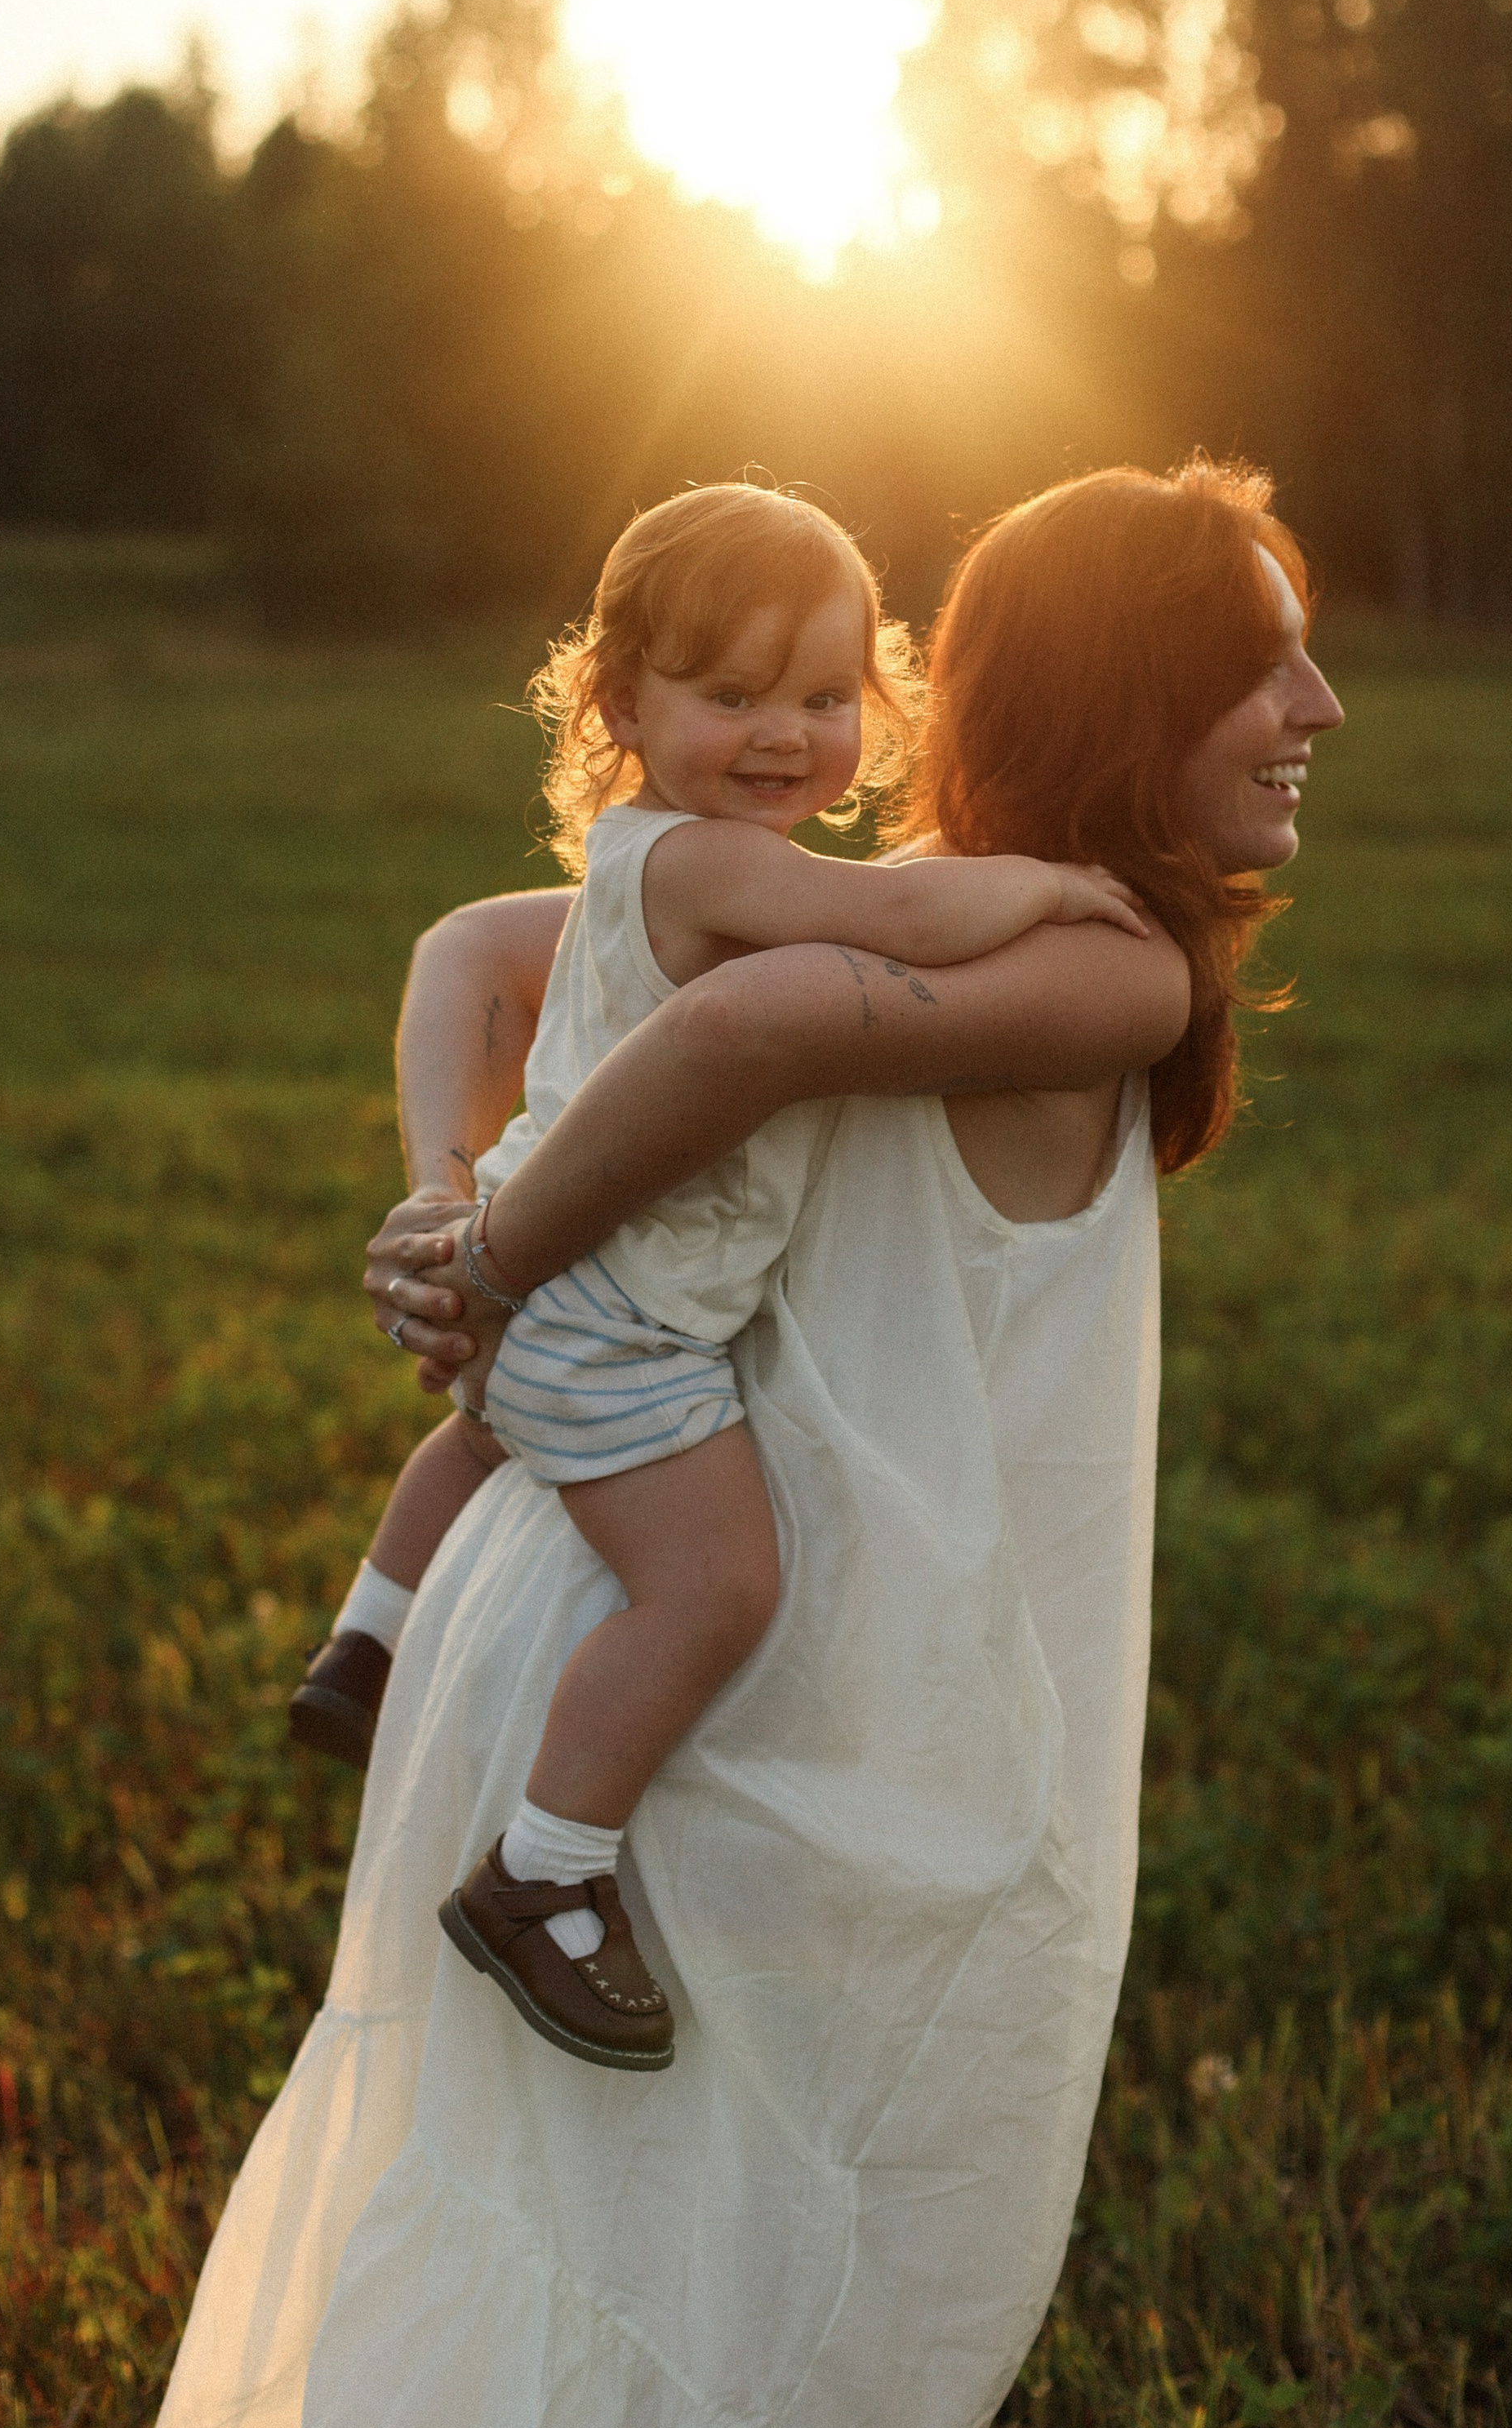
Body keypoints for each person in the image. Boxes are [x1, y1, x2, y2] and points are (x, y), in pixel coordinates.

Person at [148, 458, 1343, 2428]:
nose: (1321, 703)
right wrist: (476, 1234)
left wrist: (465, 1210)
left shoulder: (905, 908)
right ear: (1128, 687)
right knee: (771, 2329)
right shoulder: (1093, 972)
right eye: (1261, 656)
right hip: (731, 1714)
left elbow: (491, 953)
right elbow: (738, 1024)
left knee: (735, 2318)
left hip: (681, 1653)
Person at [287, 482, 1146, 2073]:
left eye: (822, 698)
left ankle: (372, 1632)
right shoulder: (699, 869)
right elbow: (885, 913)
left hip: (556, 1304)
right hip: (611, 1324)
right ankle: (544, 1875)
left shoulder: (664, 863)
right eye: (730, 693)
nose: (781, 735)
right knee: (718, 1584)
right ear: (622, 703)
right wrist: (1041, 888)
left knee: (483, 1430)